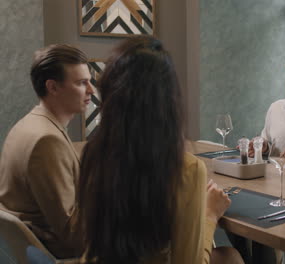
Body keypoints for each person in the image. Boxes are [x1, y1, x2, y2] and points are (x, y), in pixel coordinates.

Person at [77, 36, 242, 264]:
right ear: (168, 100)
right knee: (231, 257)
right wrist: (210, 215)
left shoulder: (93, 155)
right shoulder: (185, 169)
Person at [0, 44, 93, 258]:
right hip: (53, 255)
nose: (91, 90)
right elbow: (73, 235)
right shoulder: (47, 140)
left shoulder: (26, 125)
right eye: (81, 83)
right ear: (53, 87)